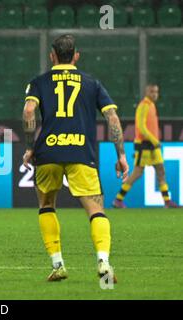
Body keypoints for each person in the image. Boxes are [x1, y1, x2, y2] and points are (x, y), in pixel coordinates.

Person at [22, 35, 129, 282]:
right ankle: (103, 262)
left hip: (48, 152)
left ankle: (58, 265)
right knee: (95, 210)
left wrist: (30, 147)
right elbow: (112, 117)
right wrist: (121, 154)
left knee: (47, 206)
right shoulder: (92, 83)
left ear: (52, 56)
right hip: (81, 152)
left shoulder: (39, 82)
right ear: (76, 56)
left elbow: (28, 110)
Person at [113, 84, 179, 208]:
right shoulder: (143, 105)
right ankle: (118, 199)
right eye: (152, 91)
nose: (155, 94)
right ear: (146, 92)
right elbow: (141, 127)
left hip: (153, 145)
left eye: (156, 92)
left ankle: (167, 201)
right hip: (144, 144)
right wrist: (155, 140)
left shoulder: (152, 105)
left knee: (161, 171)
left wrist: (154, 141)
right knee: (137, 173)